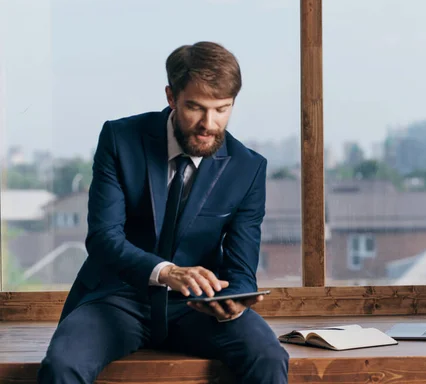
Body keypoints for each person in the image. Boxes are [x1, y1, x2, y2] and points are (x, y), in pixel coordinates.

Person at [37, 41, 289, 384]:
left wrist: (236, 300)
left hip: (199, 308)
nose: (209, 124)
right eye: (195, 108)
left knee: (269, 357)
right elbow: (103, 238)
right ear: (171, 97)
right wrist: (166, 272)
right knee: (62, 365)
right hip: (117, 297)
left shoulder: (249, 168)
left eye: (222, 109)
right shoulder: (120, 139)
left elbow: (242, 268)